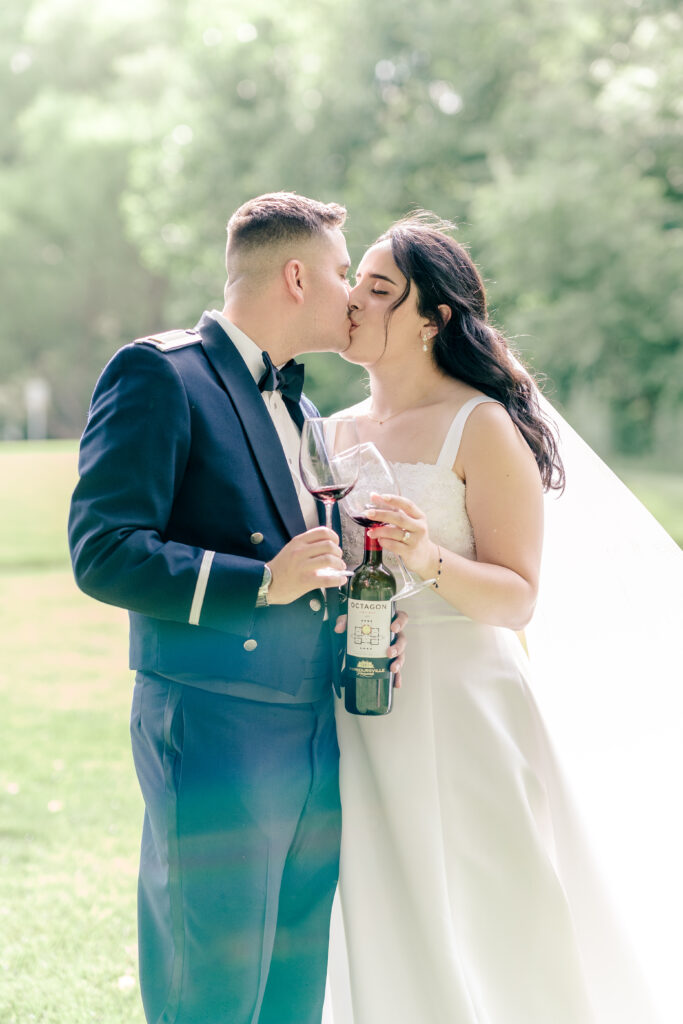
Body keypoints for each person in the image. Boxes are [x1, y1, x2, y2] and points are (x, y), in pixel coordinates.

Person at [323, 213, 682, 1023]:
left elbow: (518, 595)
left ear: (431, 320)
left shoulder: (476, 425)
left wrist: (424, 556)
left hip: (465, 707)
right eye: (356, 282)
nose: (354, 299)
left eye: (379, 288)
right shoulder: (329, 431)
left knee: (497, 913)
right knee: (379, 910)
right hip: (361, 704)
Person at [67, 191, 407, 1024]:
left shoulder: (305, 409)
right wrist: (258, 582)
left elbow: (313, 565)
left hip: (312, 733)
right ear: (296, 276)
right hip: (213, 724)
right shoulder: (159, 373)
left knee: (290, 994)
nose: (352, 292)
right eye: (340, 272)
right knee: (209, 988)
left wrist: (362, 628)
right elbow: (102, 549)